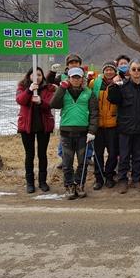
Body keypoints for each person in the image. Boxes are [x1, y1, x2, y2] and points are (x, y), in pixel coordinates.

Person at [50, 67, 99, 200]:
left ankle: (79, 184)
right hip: (66, 132)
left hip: (83, 133)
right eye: (73, 77)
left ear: (82, 79)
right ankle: (69, 186)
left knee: (83, 162)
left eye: (78, 77)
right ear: (69, 78)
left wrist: (92, 131)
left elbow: (94, 113)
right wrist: (61, 88)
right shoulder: (63, 91)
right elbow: (53, 104)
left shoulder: (89, 92)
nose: (76, 80)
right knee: (67, 163)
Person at [107, 59, 140, 194]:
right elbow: (113, 99)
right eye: (134, 69)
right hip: (125, 128)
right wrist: (113, 85)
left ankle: (136, 180)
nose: (136, 72)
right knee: (124, 156)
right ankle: (122, 180)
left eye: (139, 69)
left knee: (138, 156)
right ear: (129, 71)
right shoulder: (122, 86)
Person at [16, 67, 56, 193]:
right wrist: (29, 90)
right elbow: (20, 100)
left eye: (39, 75)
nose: (37, 77)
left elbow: (51, 104)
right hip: (27, 127)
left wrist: (40, 102)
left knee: (42, 154)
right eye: (34, 75)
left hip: (43, 126)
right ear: (29, 76)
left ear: (42, 76)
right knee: (29, 155)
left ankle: (42, 182)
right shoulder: (22, 87)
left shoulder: (48, 88)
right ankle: (30, 183)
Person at [88, 61, 119, 190]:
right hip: (98, 125)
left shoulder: (119, 83)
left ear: (115, 71)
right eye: (106, 69)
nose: (109, 72)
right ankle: (99, 178)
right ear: (103, 71)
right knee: (98, 153)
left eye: (111, 70)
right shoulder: (94, 83)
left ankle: (109, 176)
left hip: (113, 124)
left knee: (113, 153)